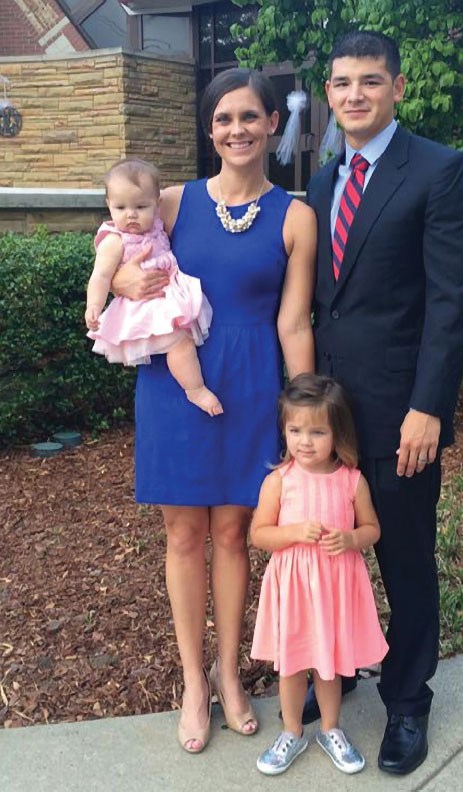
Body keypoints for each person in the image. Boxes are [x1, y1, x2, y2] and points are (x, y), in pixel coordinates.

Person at [111, 68, 316, 753]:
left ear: (270, 126)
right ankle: (193, 682)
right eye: (224, 118)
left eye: (250, 117)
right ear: (209, 130)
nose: (238, 129)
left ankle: (230, 675)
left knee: (232, 535)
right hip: (177, 383)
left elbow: (293, 324)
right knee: (182, 537)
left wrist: (309, 417)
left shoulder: (295, 215)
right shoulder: (171, 201)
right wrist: (116, 277)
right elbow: (115, 235)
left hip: (253, 385)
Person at [306, 31, 463, 775]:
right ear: (328, 94)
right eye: (342, 82)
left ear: (397, 89)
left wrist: (428, 408)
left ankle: (407, 702)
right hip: (328, 417)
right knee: (328, 554)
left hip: (399, 413)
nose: (355, 94)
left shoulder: (439, 172)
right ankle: (338, 670)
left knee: (403, 559)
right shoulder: (322, 181)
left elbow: (453, 301)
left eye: (370, 81)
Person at [250, 374, 388, 776]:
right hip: (294, 590)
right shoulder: (279, 481)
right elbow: (258, 533)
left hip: (334, 586)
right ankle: (292, 731)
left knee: (329, 664)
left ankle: (330, 729)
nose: (304, 441)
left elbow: (372, 529)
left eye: (317, 431)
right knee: (293, 665)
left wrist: (349, 539)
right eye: (294, 430)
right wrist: (292, 533)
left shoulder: (351, 480)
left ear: (337, 432)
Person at [85, 158, 222, 416]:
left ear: (157, 204)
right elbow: (101, 276)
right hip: (149, 306)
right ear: (108, 206)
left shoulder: (158, 226)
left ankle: (194, 387)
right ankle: (195, 389)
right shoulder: (115, 240)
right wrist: (94, 305)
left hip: (168, 297)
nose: (131, 214)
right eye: (121, 207)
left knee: (185, 341)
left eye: (140, 206)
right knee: (180, 345)